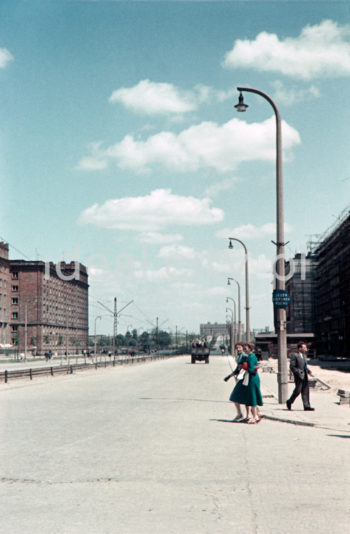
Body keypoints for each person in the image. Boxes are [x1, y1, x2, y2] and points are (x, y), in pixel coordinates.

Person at [224, 342, 249, 422]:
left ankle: (244, 414)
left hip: (245, 379)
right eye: (237, 348)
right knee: (242, 397)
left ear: (242, 348)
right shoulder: (239, 357)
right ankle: (242, 414)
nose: (238, 349)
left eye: (239, 347)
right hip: (241, 379)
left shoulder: (244, 356)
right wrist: (229, 376)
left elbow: (244, 368)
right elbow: (237, 369)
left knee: (235, 396)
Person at [286, 341, 314, 411]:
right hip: (299, 376)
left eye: (305, 347)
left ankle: (307, 406)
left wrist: (308, 370)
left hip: (305, 376)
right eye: (304, 347)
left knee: (305, 391)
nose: (306, 349)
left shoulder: (304, 356)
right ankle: (289, 401)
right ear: (299, 348)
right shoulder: (295, 356)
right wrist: (298, 372)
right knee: (297, 391)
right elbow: (292, 367)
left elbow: (304, 366)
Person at [242, 342, 264, 424]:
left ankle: (255, 417)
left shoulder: (250, 357)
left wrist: (245, 367)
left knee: (252, 397)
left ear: (250, 348)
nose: (244, 350)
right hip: (253, 378)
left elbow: (251, 369)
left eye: (246, 348)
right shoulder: (252, 356)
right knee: (253, 396)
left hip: (252, 378)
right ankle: (257, 414)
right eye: (244, 348)